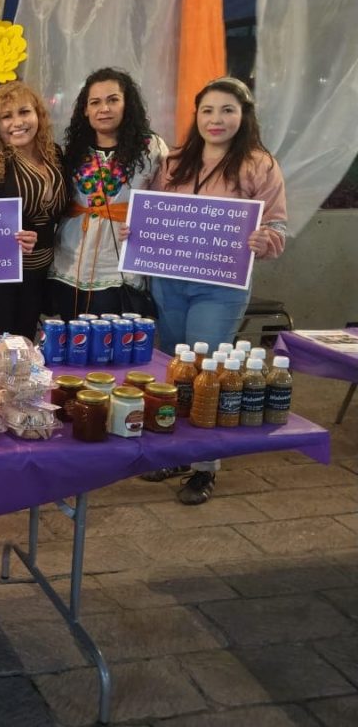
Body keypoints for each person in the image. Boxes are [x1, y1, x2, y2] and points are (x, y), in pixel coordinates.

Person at [140, 76, 287, 504]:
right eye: (207, 110)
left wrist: (265, 239)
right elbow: (153, 211)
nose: (216, 119)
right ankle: (175, 453)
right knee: (174, 370)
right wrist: (138, 229)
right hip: (169, 281)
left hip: (220, 287)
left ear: (244, 116)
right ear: (197, 116)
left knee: (207, 371)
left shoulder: (260, 164)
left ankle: (205, 466)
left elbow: (277, 225)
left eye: (227, 110)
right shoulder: (175, 160)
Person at [49, 67, 168, 319]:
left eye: (113, 100)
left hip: (120, 263)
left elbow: (164, 204)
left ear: (127, 104)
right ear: (85, 109)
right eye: (95, 102)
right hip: (70, 259)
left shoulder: (151, 148)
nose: (104, 108)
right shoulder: (73, 149)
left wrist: (146, 228)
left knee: (113, 337)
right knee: (72, 335)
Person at [0, 81, 69, 340]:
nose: (17, 122)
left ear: (38, 115)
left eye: (24, 112)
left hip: (41, 272)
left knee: (25, 348)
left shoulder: (54, 154)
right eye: (6, 116)